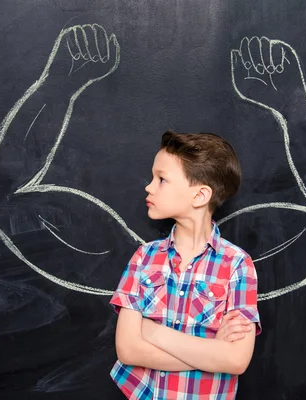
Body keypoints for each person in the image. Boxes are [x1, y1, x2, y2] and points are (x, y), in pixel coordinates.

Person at [109, 131, 262, 400]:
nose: (149, 187)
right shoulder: (145, 258)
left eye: (162, 179)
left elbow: (236, 360)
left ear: (200, 195)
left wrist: (151, 331)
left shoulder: (237, 264)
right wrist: (213, 351)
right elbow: (128, 350)